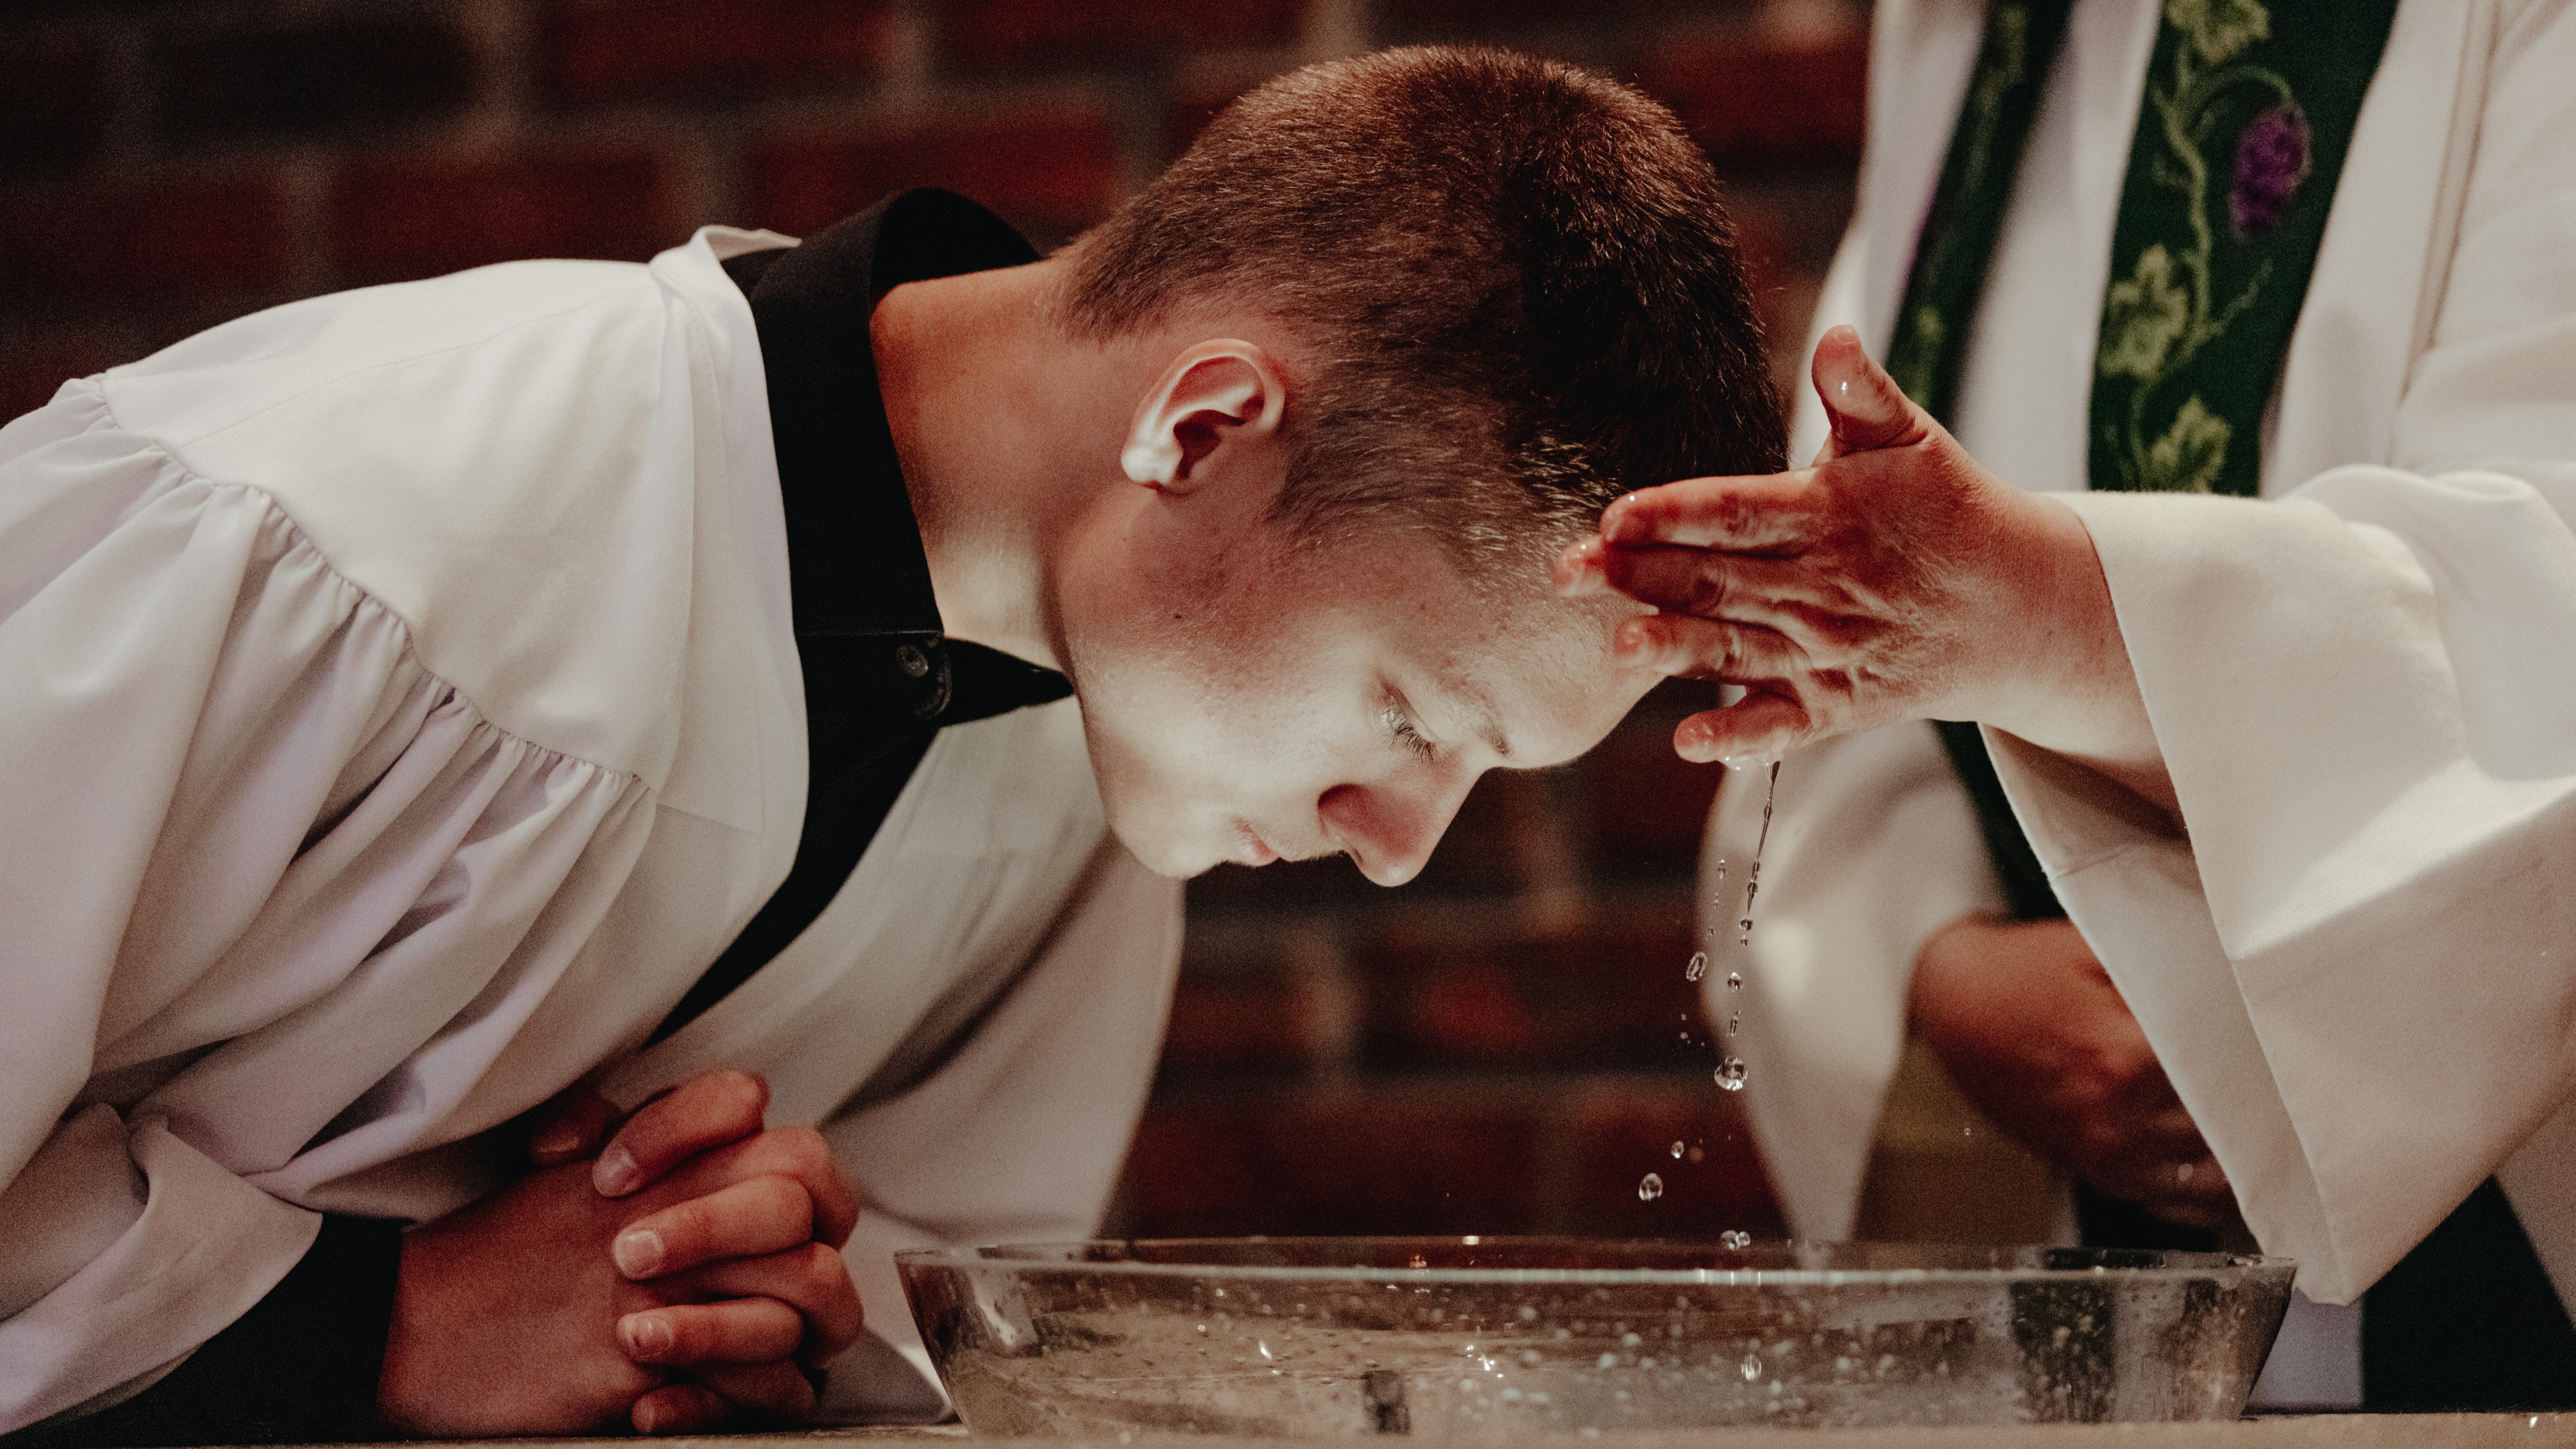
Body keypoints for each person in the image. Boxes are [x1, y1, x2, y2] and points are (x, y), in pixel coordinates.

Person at [0, 47, 1787, 1442]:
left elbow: (932, 1327)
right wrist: (368, 1327)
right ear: (1204, 426)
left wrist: (754, 1295)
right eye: (1409, 712)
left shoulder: (1091, 766)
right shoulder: (352, 515)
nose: (1394, 840)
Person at [1560, 0, 2576, 1411]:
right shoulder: (1976, 41)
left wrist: (2040, 611)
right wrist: (1933, 967)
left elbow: (2547, 592)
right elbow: (1842, 653)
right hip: (2110, 1276)